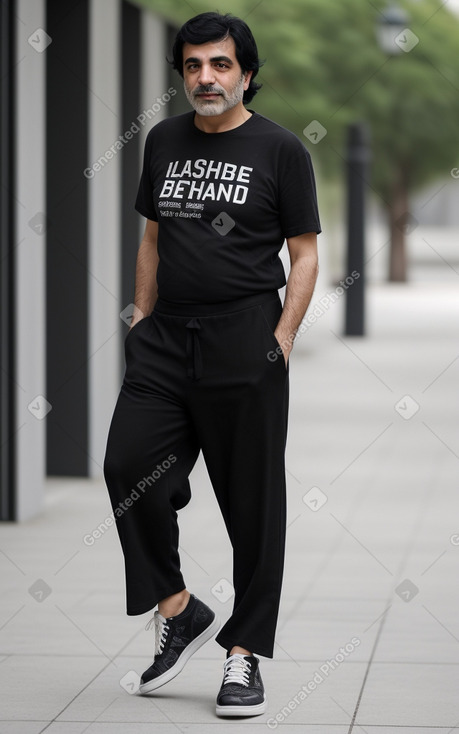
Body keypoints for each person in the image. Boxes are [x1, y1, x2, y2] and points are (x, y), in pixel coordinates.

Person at [103, 11, 321, 718]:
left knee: (252, 506)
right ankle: (179, 608)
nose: (206, 77)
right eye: (194, 65)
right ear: (183, 75)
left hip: (244, 339)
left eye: (220, 64)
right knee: (127, 465)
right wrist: (140, 317)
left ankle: (243, 656)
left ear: (246, 73)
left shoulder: (281, 149)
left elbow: (305, 254)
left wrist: (280, 339)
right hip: (165, 342)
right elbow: (153, 236)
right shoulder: (163, 141)